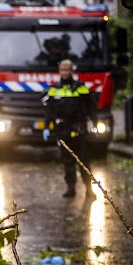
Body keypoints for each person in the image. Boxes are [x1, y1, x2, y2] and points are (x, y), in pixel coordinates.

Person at [42, 59, 95, 198]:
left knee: (83, 160)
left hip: (79, 128)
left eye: (67, 70)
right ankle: (71, 188)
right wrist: (47, 126)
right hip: (63, 129)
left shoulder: (79, 87)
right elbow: (49, 110)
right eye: (62, 70)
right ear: (59, 72)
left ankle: (89, 189)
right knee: (67, 161)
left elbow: (89, 105)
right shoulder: (55, 88)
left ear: (72, 71)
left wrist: (93, 121)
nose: (65, 72)